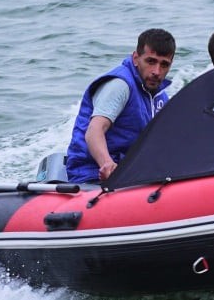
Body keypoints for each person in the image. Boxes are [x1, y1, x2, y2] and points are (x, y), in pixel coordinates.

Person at [65, 29, 176, 184]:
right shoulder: (120, 86)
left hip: (130, 174)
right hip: (91, 175)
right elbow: (94, 130)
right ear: (136, 58)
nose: (157, 71)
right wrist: (106, 164)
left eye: (164, 64)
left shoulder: (159, 97)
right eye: (151, 61)